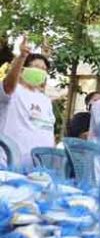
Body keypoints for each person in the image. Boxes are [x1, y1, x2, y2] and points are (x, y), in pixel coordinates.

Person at [0, 38, 55, 168]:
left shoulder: (45, 100)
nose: (41, 71)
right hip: (8, 163)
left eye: (44, 69)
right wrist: (21, 57)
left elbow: (48, 129)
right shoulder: (12, 92)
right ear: (23, 69)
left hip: (38, 168)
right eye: (36, 67)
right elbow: (8, 86)